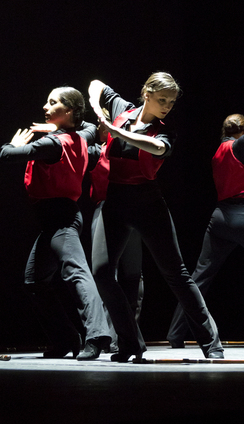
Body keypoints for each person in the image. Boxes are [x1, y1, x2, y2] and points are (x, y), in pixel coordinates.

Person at [88, 73, 224, 362]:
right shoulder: (122, 109)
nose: (167, 107)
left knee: (176, 274)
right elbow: (96, 84)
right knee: (101, 272)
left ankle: (211, 343)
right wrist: (97, 109)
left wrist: (118, 133)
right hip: (115, 201)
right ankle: (129, 343)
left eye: (171, 102)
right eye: (162, 100)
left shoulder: (164, 130)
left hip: (147, 202)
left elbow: (158, 148)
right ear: (146, 94)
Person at [0, 87, 111, 359]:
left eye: (53, 103)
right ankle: (67, 340)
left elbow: (6, 155)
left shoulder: (51, 144)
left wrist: (11, 145)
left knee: (76, 272)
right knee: (35, 282)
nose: (45, 107)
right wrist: (60, 125)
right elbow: (88, 126)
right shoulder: (80, 136)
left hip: (61, 218)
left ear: (69, 110)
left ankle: (97, 335)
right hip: (55, 220)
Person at [167, 114, 244, 348]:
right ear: (242, 131)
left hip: (220, 219)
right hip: (243, 217)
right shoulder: (238, 146)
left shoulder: (220, 151)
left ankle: (175, 333)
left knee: (199, 277)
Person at [88, 123, 145, 353]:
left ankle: (127, 336)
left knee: (131, 275)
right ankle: (110, 336)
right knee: (107, 274)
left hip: (126, 209)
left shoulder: (129, 148)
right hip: (110, 208)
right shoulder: (96, 150)